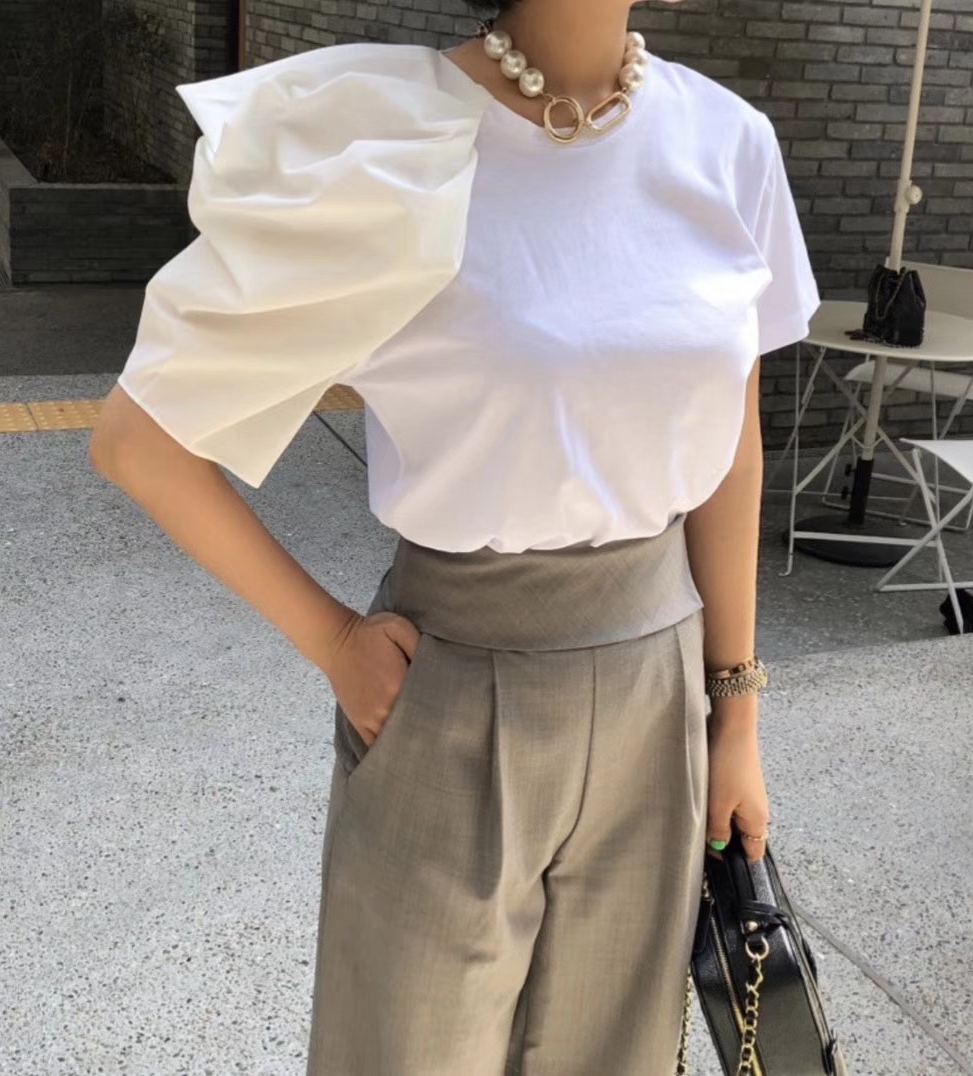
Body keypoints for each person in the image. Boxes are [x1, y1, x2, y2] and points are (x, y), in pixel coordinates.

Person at [89, 0, 821, 1071]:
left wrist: (735, 714)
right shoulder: (392, 137)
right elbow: (139, 441)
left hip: (658, 690)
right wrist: (333, 639)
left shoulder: (729, 141)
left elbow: (732, 447)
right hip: (451, 686)